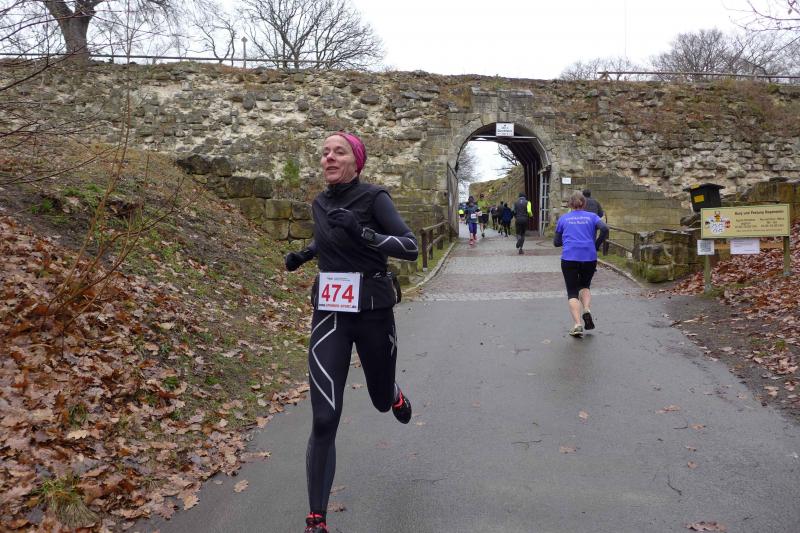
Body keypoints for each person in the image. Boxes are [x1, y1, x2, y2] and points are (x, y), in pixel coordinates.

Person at [284, 131, 418, 533]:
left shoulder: (375, 198)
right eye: (324, 152)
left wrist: (365, 233)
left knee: (378, 399)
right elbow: (327, 238)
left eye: (338, 152)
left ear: (356, 162)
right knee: (325, 417)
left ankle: (392, 392)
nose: (328, 157)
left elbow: (409, 246)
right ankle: (316, 519)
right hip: (330, 313)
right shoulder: (320, 202)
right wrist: (305, 254)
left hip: (373, 311)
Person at [553, 191, 609, 337]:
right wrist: (596, 244)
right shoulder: (592, 217)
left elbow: (556, 242)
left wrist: (568, 239)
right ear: (584, 203)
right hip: (589, 257)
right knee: (585, 285)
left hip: (570, 257)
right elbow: (604, 228)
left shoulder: (563, 219)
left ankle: (578, 324)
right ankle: (587, 309)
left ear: (570, 204)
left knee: (572, 291)